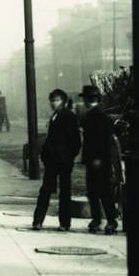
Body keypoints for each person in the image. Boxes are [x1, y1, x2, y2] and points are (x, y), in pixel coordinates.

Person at [32, 88, 81, 231]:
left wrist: (68, 157)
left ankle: (63, 223)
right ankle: (39, 221)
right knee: (47, 191)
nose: (53, 103)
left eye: (57, 100)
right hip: (52, 161)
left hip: (63, 161)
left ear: (63, 101)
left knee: (63, 192)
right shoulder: (55, 116)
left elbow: (75, 141)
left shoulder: (68, 116)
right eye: (52, 100)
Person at [79, 85, 117, 235]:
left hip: (98, 161)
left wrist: (97, 158)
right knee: (98, 192)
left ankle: (106, 220)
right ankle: (104, 220)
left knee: (100, 192)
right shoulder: (100, 114)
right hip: (98, 160)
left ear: (87, 100)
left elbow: (101, 141)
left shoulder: (94, 115)